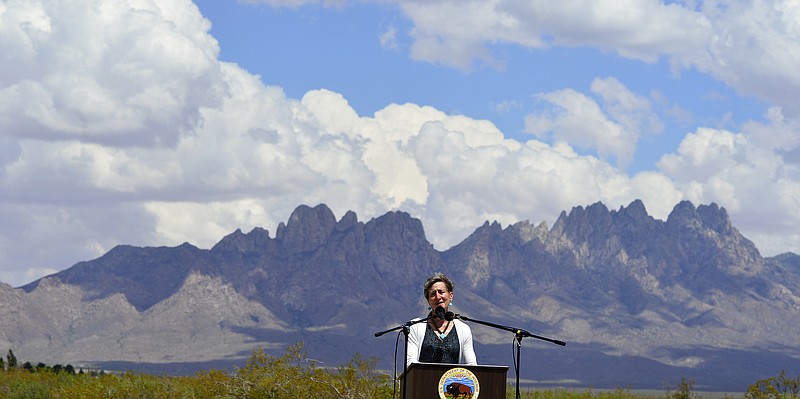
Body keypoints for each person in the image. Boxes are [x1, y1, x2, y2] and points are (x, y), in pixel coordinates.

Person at [406, 272, 477, 367]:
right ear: (428, 300)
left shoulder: (463, 329)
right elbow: (410, 363)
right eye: (433, 294)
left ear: (450, 296)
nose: (438, 297)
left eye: (441, 292)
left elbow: (472, 364)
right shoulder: (415, 326)